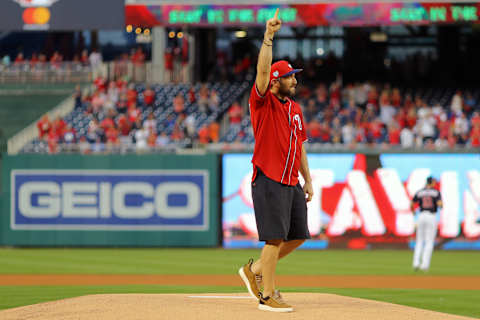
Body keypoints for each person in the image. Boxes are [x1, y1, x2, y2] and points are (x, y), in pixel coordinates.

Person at [238, 9, 313, 313]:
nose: (294, 80)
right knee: (274, 239)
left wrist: (308, 179)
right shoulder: (262, 101)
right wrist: (268, 37)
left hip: (291, 181)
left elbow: (301, 146)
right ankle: (267, 294)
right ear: (275, 81)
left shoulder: (294, 108)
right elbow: (262, 73)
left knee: (297, 237)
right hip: (268, 177)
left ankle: (254, 269)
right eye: (290, 77)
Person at [411, 176, 442, 272]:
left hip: (421, 215)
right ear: (432, 182)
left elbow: (412, 203)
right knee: (429, 241)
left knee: (419, 240)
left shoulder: (420, 192)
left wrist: (413, 212)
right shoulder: (436, 192)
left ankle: (416, 263)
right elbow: (440, 204)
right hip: (431, 216)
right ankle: (424, 265)